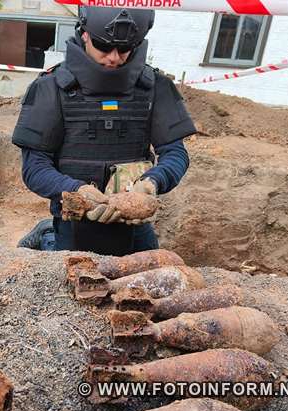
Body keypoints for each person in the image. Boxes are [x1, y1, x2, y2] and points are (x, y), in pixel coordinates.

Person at [13, 6, 196, 256]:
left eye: (124, 49)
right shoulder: (51, 87)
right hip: (75, 221)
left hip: (132, 222)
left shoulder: (155, 87)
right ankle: (49, 234)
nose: (114, 57)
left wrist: (153, 182)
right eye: (103, 46)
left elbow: (176, 152)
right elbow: (34, 167)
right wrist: (77, 190)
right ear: (85, 34)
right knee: (74, 278)